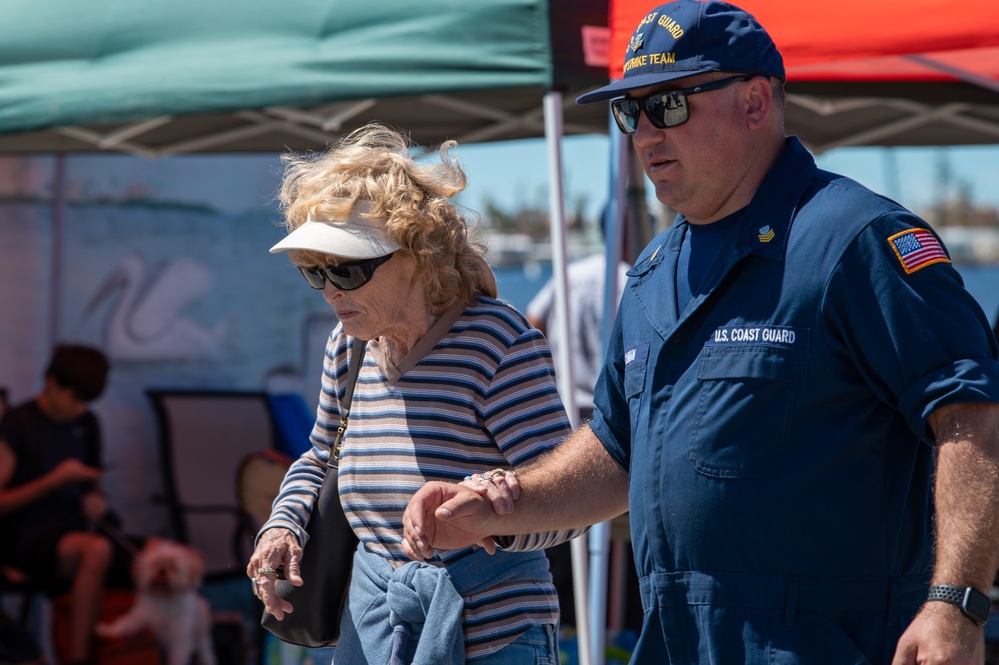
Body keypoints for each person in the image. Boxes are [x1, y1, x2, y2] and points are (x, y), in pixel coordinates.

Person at [402, 2, 999, 663]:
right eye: (629, 112)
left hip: (828, 640)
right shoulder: (654, 269)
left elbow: (970, 418)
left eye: (669, 106)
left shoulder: (855, 242)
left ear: (752, 102)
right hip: (678, 637)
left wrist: (956, 603)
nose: (645, 133)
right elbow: (616, 448)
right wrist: (503, 505)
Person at [247, 122, 584, 665]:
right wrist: (282, 526)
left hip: (492, 638)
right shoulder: (348, 346)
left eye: (348, 268)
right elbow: (320, 456)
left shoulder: (496, 342)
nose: (331, 288)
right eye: (315, 271)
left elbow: (569, 504)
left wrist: (486, 505)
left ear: (418, 252)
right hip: (372, 627)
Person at [0, 344, 120, 665]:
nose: (80, 409)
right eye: (76, 398)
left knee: (163, 556)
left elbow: (95, 487)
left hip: (76, 527)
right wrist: (53, 481)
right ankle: (78, 659)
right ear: (52, 383)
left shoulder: (88, 423)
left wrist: (96, 499)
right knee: (95, 551)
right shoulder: (18, 424)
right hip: (26, 536)